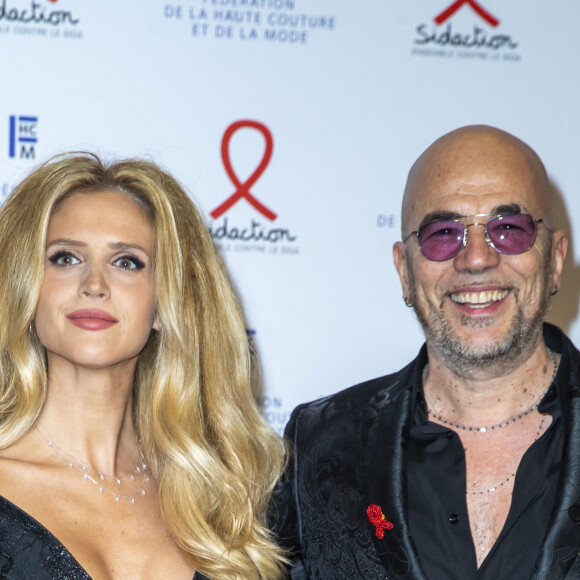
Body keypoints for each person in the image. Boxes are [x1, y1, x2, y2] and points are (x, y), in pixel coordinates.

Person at [270, 125, 580, 579]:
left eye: (508, 229)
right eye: (443, 233)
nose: (476, 258)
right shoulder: (318, 445)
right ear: (404, 269)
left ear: (554, 259)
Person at [0, 152, 286, 579]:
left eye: (127, 262)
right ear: (27, 286)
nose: (93, 285)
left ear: (163, 303)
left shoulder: (217, 497)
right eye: (65, 258)